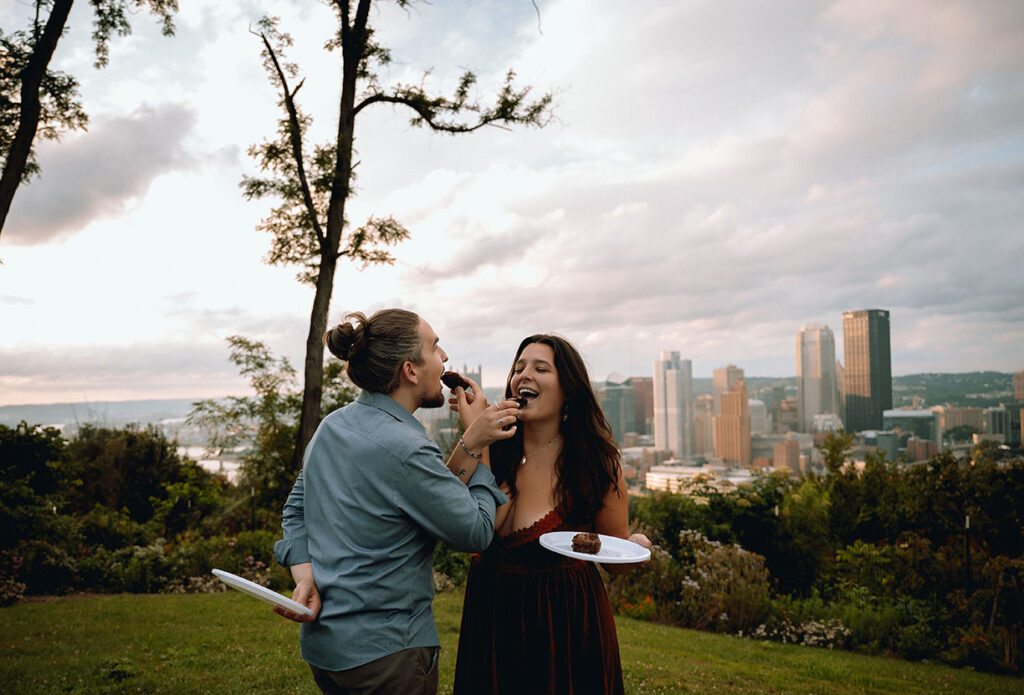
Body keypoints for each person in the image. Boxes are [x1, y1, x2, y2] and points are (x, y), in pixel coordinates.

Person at [272, 308, 520, 695]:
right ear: (410, 370)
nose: (445, 358)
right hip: (387, 656)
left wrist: (305, 578)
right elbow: (475, 531)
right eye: (435, 347)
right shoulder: (407, 448)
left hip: (326, 652)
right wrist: (482, 447)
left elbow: (295, 510)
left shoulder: (332, 426)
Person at [450, 334, 651, 695]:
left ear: (568, 390)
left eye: (541, 368)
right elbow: (450, 507)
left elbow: (613, 557)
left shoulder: (595, 462)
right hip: (490, 620)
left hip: (565, 628)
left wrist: (634, 547)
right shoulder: (492, 447)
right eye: (519, 368)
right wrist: (475, 434)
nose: (524, 375)